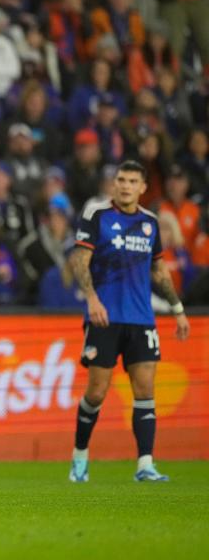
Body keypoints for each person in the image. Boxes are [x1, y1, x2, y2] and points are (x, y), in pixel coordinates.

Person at [68, 160, 190, 483]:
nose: (124, 185)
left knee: (146, 389)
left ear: (143, 188)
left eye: (132, 181)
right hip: (105, 317)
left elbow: (159, 271)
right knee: (96, 392)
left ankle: (145, 464)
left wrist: (177, 308)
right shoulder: (97, 216)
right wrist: (92, 299)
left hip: (141, 318)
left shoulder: (150, 224)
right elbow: (80, 260)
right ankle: (80, 456)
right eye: (120, 179)